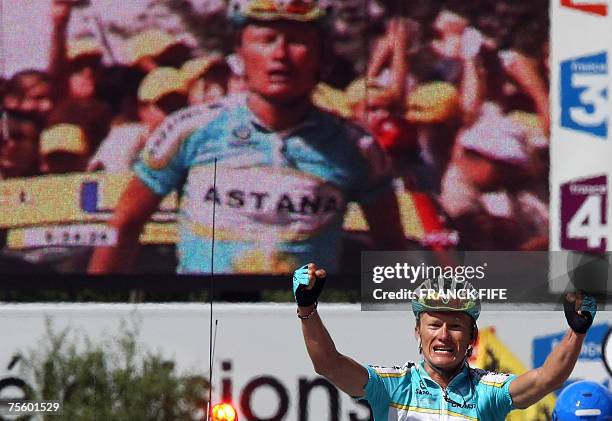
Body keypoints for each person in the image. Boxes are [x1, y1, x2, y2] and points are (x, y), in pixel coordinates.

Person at [88, 0, 406, 275]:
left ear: (321, 57)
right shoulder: (187, 130)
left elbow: (392, 250)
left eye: (296, 41)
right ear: (240, 54)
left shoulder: (358, 148)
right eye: (266, 40)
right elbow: (123, 227)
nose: (280, 54)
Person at [294, 263, 598, 420]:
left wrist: (577, 332)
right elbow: (328, 364)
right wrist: (307, 309)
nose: (442, 335)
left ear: (471, 339)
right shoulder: (393, 385)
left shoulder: (486, 392)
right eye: (434, 324)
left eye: (454, 326)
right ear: (418, 332)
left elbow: (547, 379)